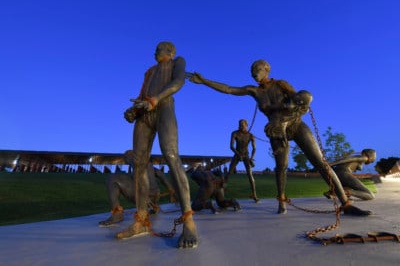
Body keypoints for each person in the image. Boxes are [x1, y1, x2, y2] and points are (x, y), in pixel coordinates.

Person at [188, 59, 371, 216]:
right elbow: (229, 89)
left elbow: (303, 99)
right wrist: (204, 81)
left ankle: (346, 203)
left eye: (256, 70)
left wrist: (293, 107)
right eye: (251, 71)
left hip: (295, 125)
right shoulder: (254, 91)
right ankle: (281, 199)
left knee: (320, 163)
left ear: (267, 70)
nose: (253, 74)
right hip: (276, 130)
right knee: (281, 167)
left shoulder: (281, 85)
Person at [119, 41, 198, 248]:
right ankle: (142, 220)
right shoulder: (150, 71)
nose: (155, 50)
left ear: (171, 52)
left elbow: (178, 82)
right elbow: (141, 94)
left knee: (171, 156)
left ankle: (188, 222)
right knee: (139, 162)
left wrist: (156, 99)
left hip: (164, 107)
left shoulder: (177, 61)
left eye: (160, 48)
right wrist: (133, 110)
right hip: (145, 113)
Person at [98, 151, 177, 227]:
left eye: (126, 158)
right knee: (128, 178)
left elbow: (139, 175)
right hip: (155, 197)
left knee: (112, 178)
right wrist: (171, 192)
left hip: (145, 197)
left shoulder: (134, 160)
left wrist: (144, 195)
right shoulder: (150, 165)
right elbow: (162, 177)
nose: (126, 161)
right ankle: (154, 207)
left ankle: (117, 214)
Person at [227, 119, 259, 203]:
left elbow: (254, 148)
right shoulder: (235, 133)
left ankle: (254, 195)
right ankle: (220, 190)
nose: (241, 125)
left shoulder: (250, 135)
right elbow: (231, 146)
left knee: (250, 174)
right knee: (229, 172)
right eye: (240, 124)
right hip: (237, 154)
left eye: (243, 124)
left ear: (246, 125)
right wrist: (238, 154)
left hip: (246, 155)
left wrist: (252, 157)